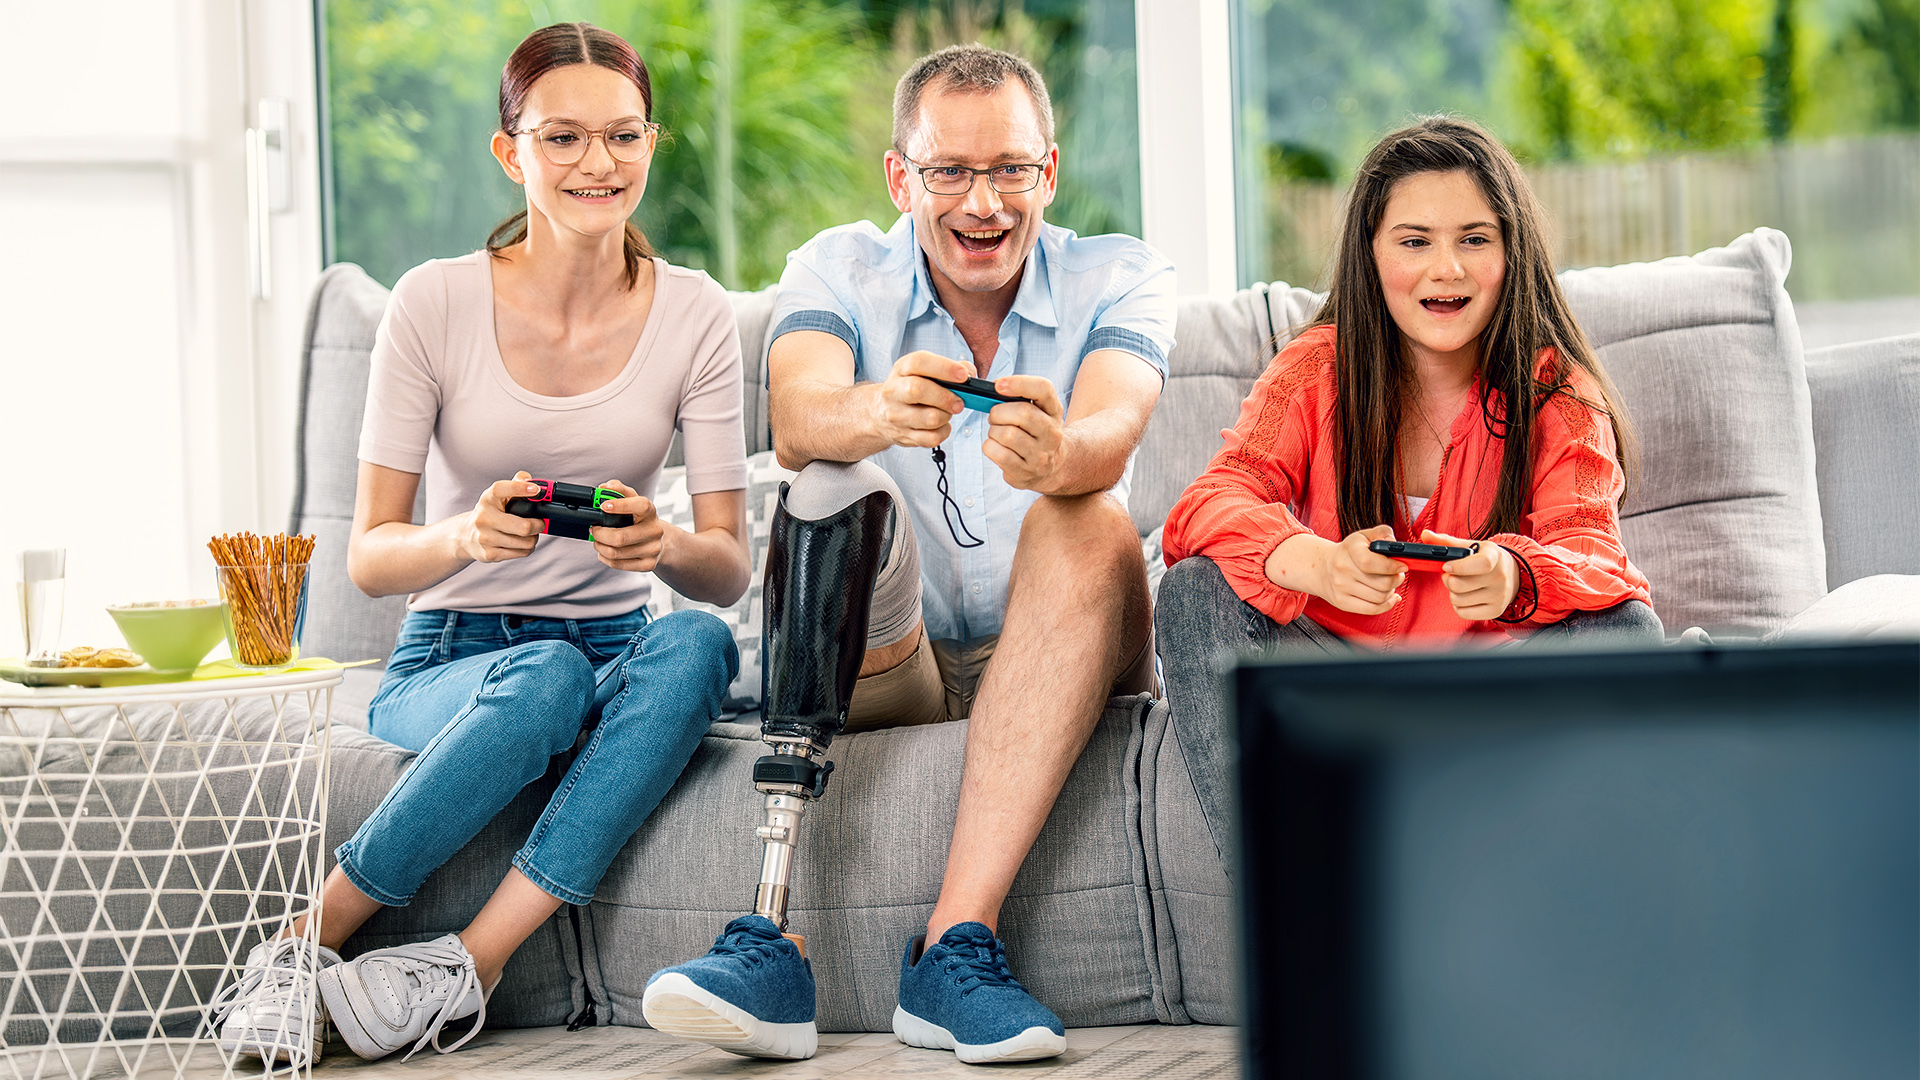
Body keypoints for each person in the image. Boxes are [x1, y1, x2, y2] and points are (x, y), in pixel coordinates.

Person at [210, 23, 749, 1066]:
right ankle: (296, 948)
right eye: (564, 138)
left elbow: (725, 569)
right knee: (543, 673)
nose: (599, 164)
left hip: (614, 645)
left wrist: (662, 541)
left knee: (699, 648)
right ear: (512, 152)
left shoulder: (694, 312)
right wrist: (465, 536)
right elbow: (369, 556)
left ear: (651, 143)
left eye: (623, 136)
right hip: (450, 654)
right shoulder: (435, 300)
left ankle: (468, 963)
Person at [641, 45, 1174, 1065]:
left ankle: (953, 949)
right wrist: (879, 409)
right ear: (902, 178)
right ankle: (766, 938)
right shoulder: (838, 268)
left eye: (1011, 169)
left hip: (1067, 645)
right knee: (832, 481)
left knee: (1089, 512)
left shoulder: (1124, 274)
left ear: (1048, 174)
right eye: (950, 172)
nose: (984, 203)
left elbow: (1116, 424)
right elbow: (798, 417)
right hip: (907, 664)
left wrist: (1062, 452)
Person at [1155, 115, 1663, 861]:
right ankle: (1289, 909)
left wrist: (1518, 575)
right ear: (1372, 253)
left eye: (1474, 239)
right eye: (1415, 241)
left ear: (1510, 253)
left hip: (1486, 688)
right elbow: (1206, 507)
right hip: (1329, 678)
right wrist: (1315, 562)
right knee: (1194, 591)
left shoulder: (1556, 394)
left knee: (1625, 631)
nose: (1445, 269)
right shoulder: (1313, 371)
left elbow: (1595, 554)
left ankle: (1545, 898)